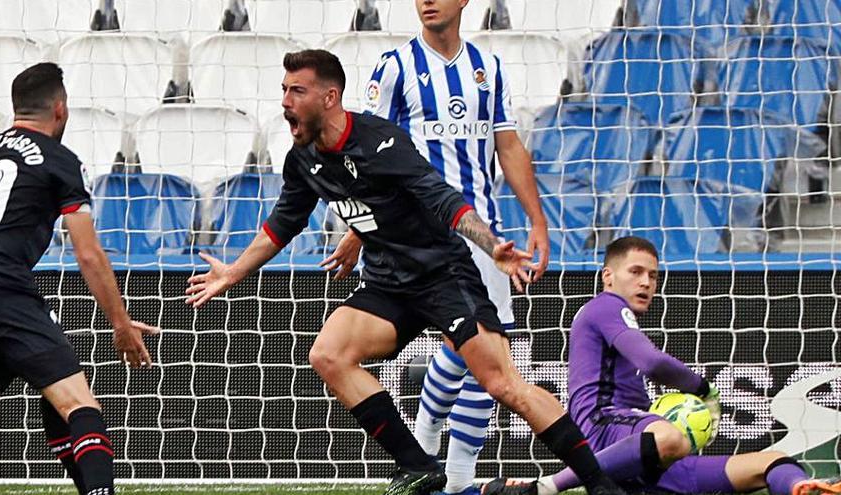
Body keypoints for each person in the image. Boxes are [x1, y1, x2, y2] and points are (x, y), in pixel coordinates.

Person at [185, 49, 624, 495]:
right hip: (388, 282)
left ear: (330, 97)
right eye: (284, 91)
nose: (285, 102)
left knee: (503, 385)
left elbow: (441, 197)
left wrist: (492, 247)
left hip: (444, 276)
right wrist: (233, 272)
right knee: (328, 353)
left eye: (297, 91)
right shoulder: (302, 159)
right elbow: (282, 223)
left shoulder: (381, 141)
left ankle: (599, 483)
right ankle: (418, 464)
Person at [321, 1, 549, 492]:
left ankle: (453, 475)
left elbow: (507, 145)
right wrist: (360, 231)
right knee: (479, 351)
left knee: (485, 353)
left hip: (481, 232)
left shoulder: (488, 69)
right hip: (412, 237)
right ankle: (431, 454)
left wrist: (537, 220)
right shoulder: (395, 67)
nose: (426, 1)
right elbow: (366, 152)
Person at [482, 236, 841, 495]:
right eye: (636, 272)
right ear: (608, 276)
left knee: (771, 461)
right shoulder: (605, 306)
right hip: (602, 428)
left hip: (643, 455)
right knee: (670, 436)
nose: (646, 282)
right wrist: (704, 390)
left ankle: (801, 488)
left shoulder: (618, 319)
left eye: (653, 276)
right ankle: (546, 487)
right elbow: (650, 361)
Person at [0, 62, 157, 495]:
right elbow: (87, 252)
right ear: (61, 110)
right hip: (2, 288)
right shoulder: (59, 159)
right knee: (80, 405)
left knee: (57, 398)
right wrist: (121, 324)